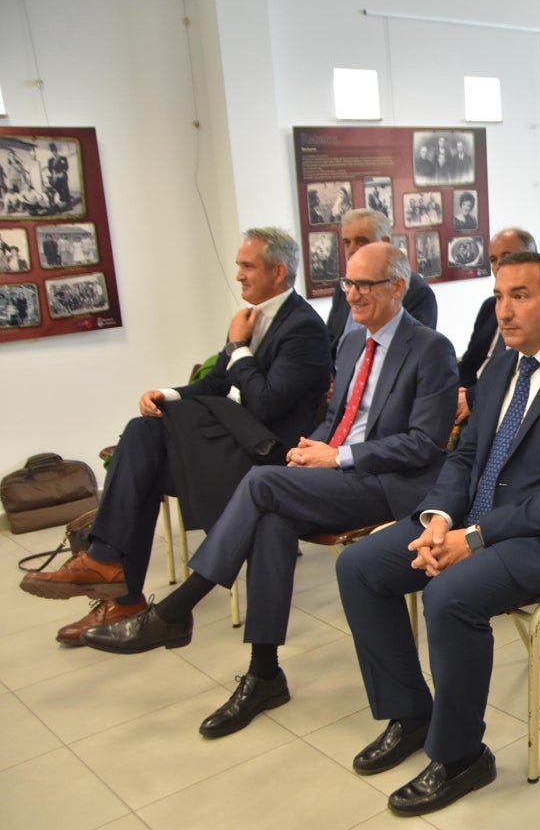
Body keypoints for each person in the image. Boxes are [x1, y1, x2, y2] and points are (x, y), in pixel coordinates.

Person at [79, 242, 459, 738]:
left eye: (365, 284)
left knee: (261, 482)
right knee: (271, 519)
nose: (353, 294)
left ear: (398, 287)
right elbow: (335, 419)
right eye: (348, 284)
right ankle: (264, 673)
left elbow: (424, 445)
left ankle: (175, 611)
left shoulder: (430, 347)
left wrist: (336, 456)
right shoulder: (348, 343)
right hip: (337, 473)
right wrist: (313, 446)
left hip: (389, 485)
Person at [335, 252, 540, 816]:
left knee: (449, 596)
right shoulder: (501, 366)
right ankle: (409, 712)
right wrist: (439, 520)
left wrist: (473, 538)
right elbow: (466, 454)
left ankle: (460, 755)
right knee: (359, 566)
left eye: (519, 296)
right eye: (498, 296)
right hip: (473, 522)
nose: (503, 310)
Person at [21, 227, 330, 644]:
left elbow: (267, 403)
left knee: (143, 454)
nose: (237, 274)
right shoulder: (250, 317)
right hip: (232, 445)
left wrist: (239, 347)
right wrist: (166, 395)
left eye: (246, 265)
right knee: (144, 434)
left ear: (278, 271)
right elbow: (218, 382)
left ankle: (113, 579)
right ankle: (112, 576)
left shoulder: (304, 328)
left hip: (268, 457)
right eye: (238, 264)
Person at [326, 209, 438, 364]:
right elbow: (331, 337)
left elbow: (414, 354)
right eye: (347, 242)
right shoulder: (343, 286)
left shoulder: (416, 290)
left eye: (361, 241)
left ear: (384, 242)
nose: (351, 250)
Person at [455, 227, 538, 425]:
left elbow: (530, 374)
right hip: (473, 394)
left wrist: (473, 398)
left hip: (509, 406)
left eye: (508, 256)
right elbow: (470, 363)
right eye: (493, 259)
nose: (500, 264)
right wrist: (455, 390)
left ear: (532, 257)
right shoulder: (489, 306)